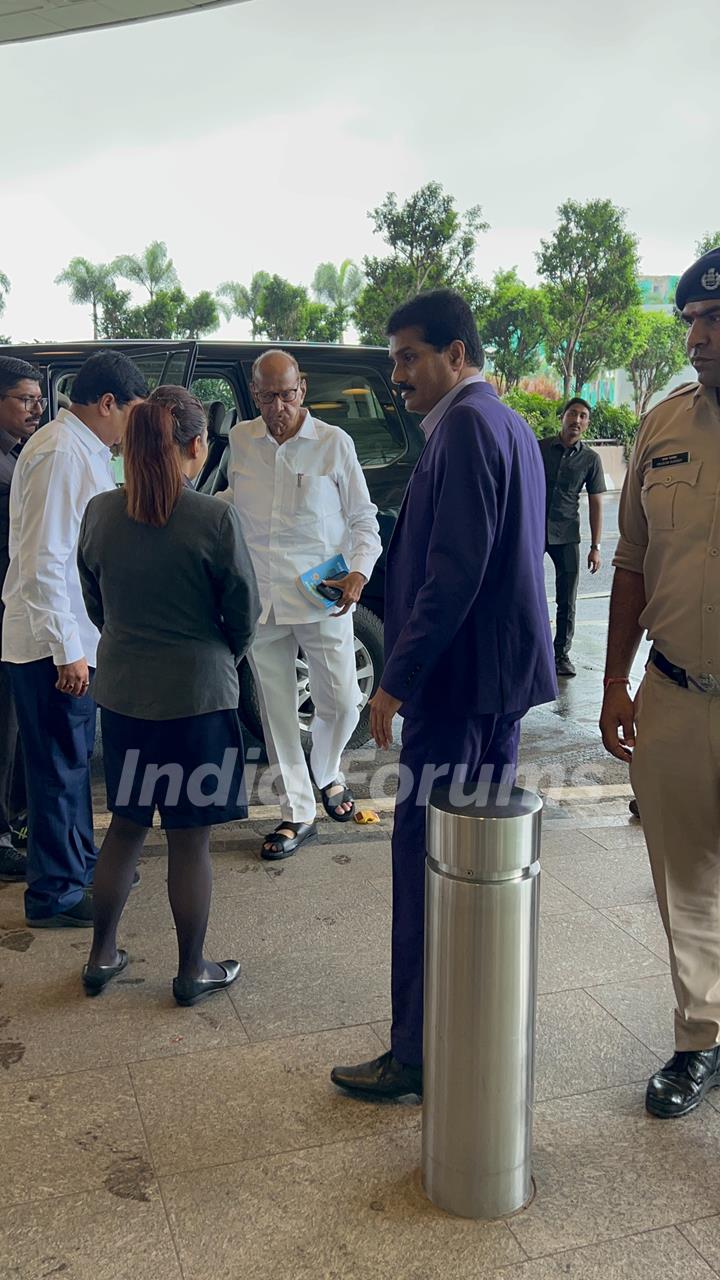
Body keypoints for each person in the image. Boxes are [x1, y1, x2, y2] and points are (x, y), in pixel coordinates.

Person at [331, 289, 556, 1099]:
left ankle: (418, 1052)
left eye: (407, 357)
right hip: (496, 688)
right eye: (394, 359)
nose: (397, 375)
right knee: (478, 869)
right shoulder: (506, 425)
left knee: (427, 864)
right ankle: (469, 1033)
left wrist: (396, 678)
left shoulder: (464, 428)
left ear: (455, 354)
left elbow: (452, 573)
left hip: (457, 693)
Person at [77, 387, 260, 1001]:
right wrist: (221, 658)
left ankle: (101, 958)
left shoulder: (101, 513)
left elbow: (95, 600)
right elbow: (244, 613)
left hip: (125, 695)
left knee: (125, 828)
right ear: (194, 445)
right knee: (189, 839)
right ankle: (191, 971)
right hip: (197, 701)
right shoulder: (212, 518)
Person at [600, 245, 720, 1119]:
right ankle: (698, 1039)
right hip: (677, 694)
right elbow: (634, 563)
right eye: (692, 322)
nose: (700, 337)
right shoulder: (665, 423)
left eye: (715, 320)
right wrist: (614, 679)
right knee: (684, 879)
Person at [2, 351, 148, 927]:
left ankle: (81, 862)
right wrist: (69, 651)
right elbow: (44, 562)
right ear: (107, 404)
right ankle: (55, 894)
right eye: (133, 413)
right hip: (50, 647)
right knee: (57, 768)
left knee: (71, 762)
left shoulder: (80, 448)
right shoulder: (61, 452)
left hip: (69, 641)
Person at [225, 349, 381, 860]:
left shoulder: (334, 444)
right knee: (276, 712)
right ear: (254, 395)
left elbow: (363, 519)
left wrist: (359, 571)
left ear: (303, 389)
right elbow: (235, 499)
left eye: (287, 394)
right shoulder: (241, 441)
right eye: (268, 396)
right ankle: (298, 811)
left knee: (341, 700)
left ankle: (329, 772)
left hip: (323, 597)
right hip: (263, 601)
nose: (279, 406)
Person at [0, 357, 44, 882]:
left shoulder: (16, 455)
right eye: (24, 399)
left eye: (37, 399)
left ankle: (15, 822)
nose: (36, 407)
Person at [539, 399, 606, 678]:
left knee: (567, 599)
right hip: (534, 531)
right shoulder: (539, 448)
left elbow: (596, 503)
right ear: (562, 416)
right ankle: (529, 649)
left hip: (567, 535)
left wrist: (595, 547)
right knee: (524, 591)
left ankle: (560, 655)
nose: (577, 420)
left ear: (587, 423)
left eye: (583, 416)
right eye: (572, 414)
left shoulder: (590, 459)